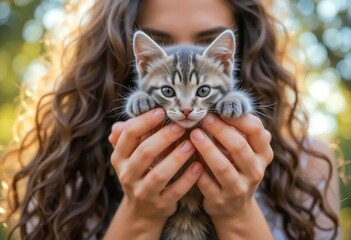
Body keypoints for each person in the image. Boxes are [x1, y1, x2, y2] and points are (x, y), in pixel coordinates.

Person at [1, 0, 340, 239]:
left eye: (209, 44)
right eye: (158, 47)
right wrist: (141, 213)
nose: (189, 107)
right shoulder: (67, 169)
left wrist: (237, 212)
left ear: (228, 59)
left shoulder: (311, 164)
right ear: (139, 61)